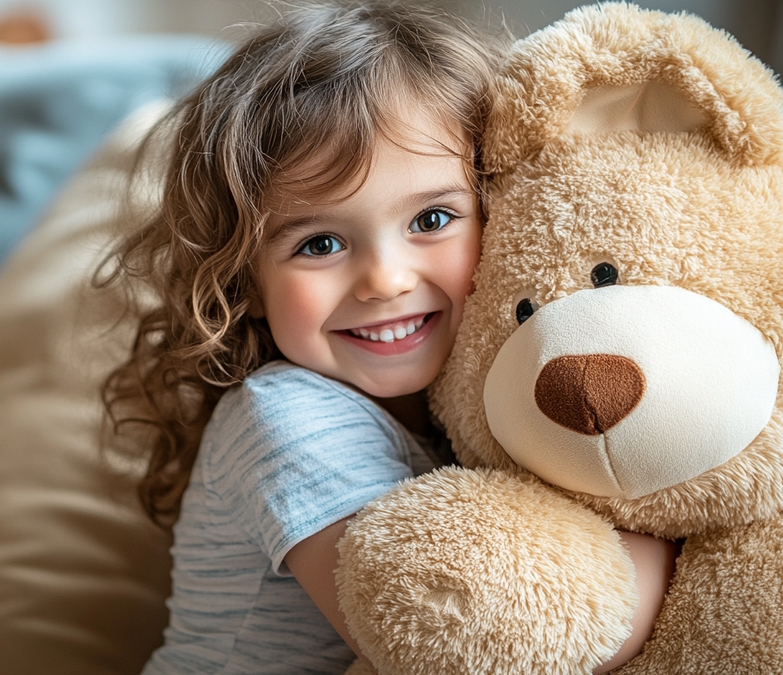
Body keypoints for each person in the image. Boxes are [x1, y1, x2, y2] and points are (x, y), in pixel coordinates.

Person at [99, 2, 677, 673]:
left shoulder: (471, 415)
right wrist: (660, 539)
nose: (383, 278)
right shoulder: (284, 417)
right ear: (245, 282)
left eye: (432, 218)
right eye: (320, 242)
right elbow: (465, 644)